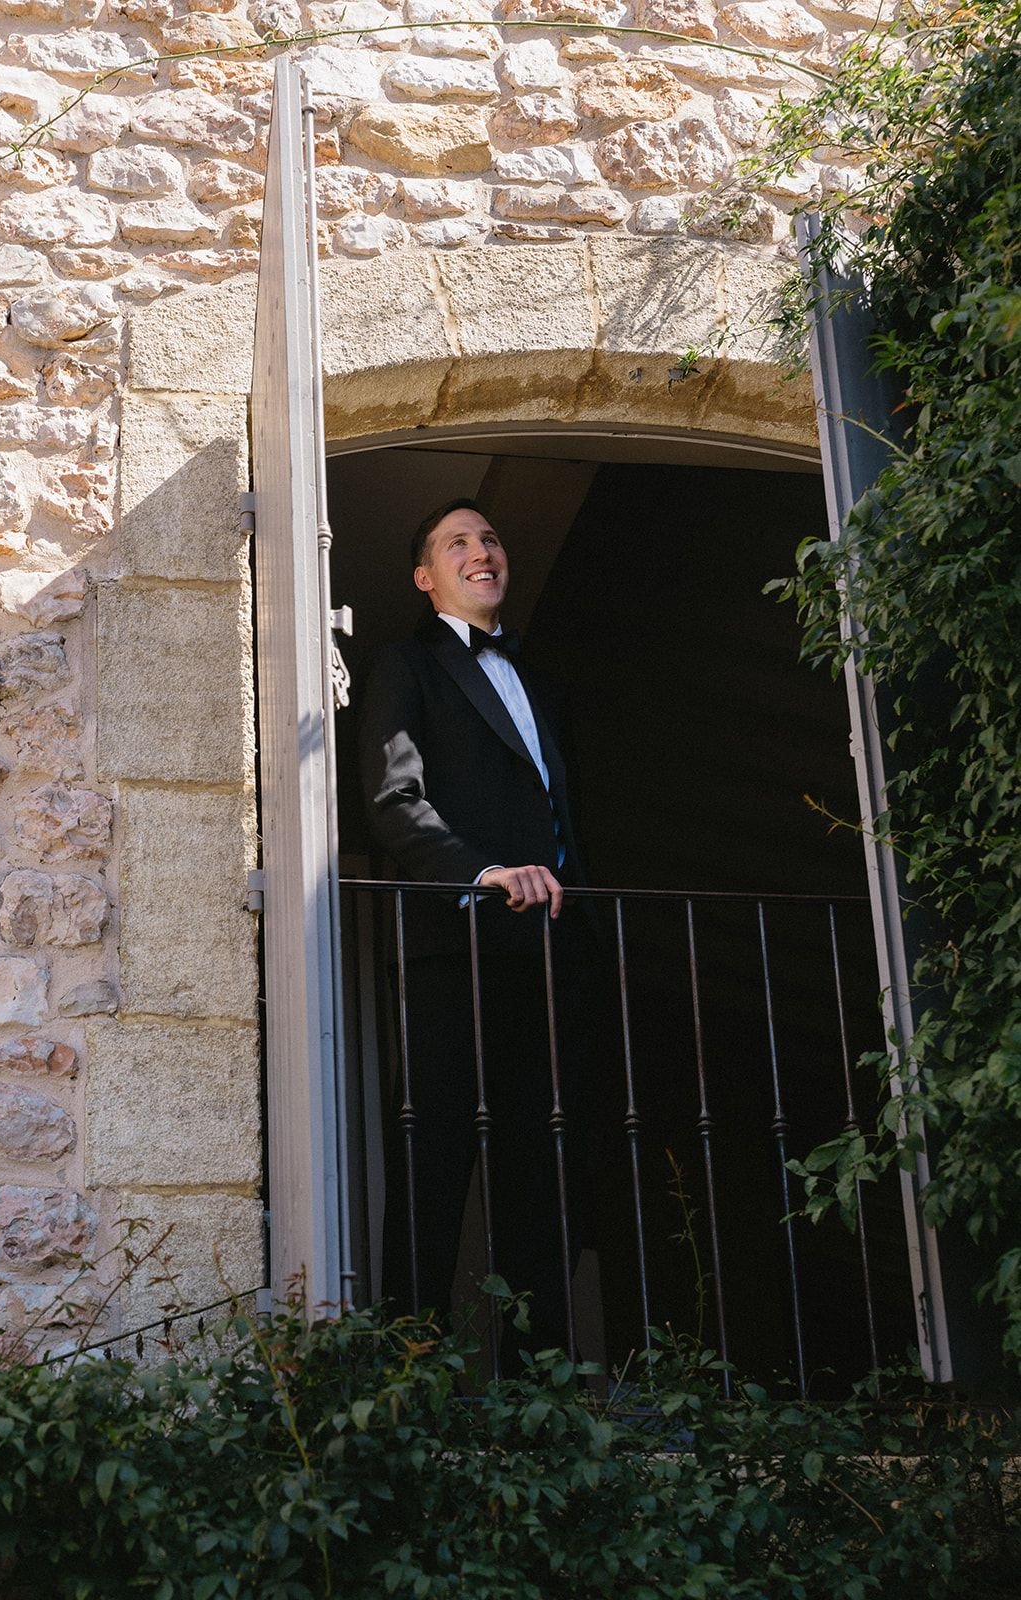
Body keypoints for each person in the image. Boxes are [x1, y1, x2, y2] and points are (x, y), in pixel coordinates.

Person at [358, 498, 593, 1365]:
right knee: (436, 1164)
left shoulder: (540, 679)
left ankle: (540, 1387)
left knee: (542, 1168)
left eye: (490, 537)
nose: (480, 550)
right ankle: (403, 1379)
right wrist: (479, 873)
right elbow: (393, 802)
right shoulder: (405, 666)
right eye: (457, 543)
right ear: (427, 578)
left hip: (545, 953)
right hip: (451, 949)